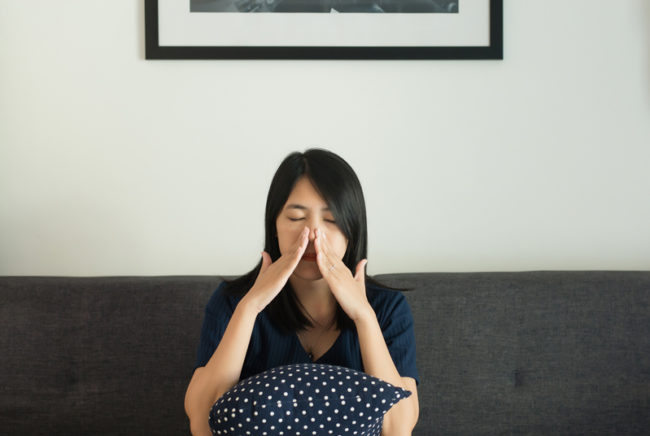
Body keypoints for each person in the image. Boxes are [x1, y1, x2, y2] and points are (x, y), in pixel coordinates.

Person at [184, 149, 419, 435]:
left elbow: (398, 428)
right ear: (275, 227)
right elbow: (202, 421)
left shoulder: (388, 309)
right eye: (296, 218)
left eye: (331, 220)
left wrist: (363, 315)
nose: (312, 234)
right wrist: (250, 307)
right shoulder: (231, 302)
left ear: (352, 231)